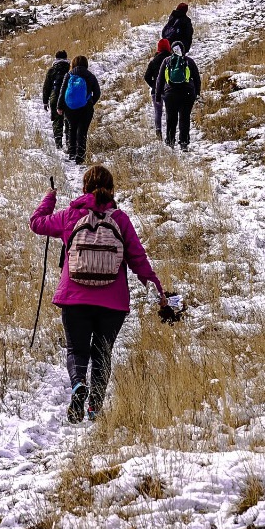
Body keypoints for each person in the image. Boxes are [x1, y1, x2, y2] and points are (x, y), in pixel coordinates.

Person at [30, 165, 167, 423]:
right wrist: (157, 287)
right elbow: (138, 258)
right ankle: (94, 406)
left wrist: (49, 197)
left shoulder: (70, 216)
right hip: (112, 302)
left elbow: (36, 223)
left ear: (84, 188)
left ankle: (79, 385)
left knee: (77, 351)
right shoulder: (121, 219)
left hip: (75, 298)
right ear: (112, 189)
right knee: (102, 352)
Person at [154, 41, 201, 150]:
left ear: (172, 50)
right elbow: (197, 79)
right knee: (184, 118)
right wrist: (197, 93)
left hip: (170, 94)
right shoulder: (189, 61)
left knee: (171, 118)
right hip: (187, 93)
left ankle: (170, 142)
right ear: (183, 50)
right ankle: (183, 142)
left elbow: (160, 80)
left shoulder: (166, 61)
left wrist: (158, 96)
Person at [57, 55, 101, 164]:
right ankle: (80, 156)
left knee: (72, 128)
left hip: (70, 107)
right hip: (86, 107)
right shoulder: (90, 76)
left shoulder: (68, 75)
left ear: (73, 64)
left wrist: (60, 106)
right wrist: (90, 102)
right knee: (82, 131)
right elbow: (97, 93)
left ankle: (72, 153)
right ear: (86, 64)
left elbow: (62, 92)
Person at [143, 38, 172, 140]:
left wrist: (154, 86)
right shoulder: (171, 59)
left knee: (158, 112)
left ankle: (158, 132)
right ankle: (170, 133)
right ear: (169, 47)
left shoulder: (154, 61)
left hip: (156, 91)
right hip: (169, 90)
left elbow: (146, 77)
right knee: (170, 112)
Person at [41, 49, 71, 149]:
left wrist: (45, 102)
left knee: (57, 120)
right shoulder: (70, 69)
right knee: (68, 120)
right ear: (66, 58)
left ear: (56, 58)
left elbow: (46, 87)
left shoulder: (52, 70)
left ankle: (58, 143)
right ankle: (68, 142)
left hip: (55, 97)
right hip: (68, 97)